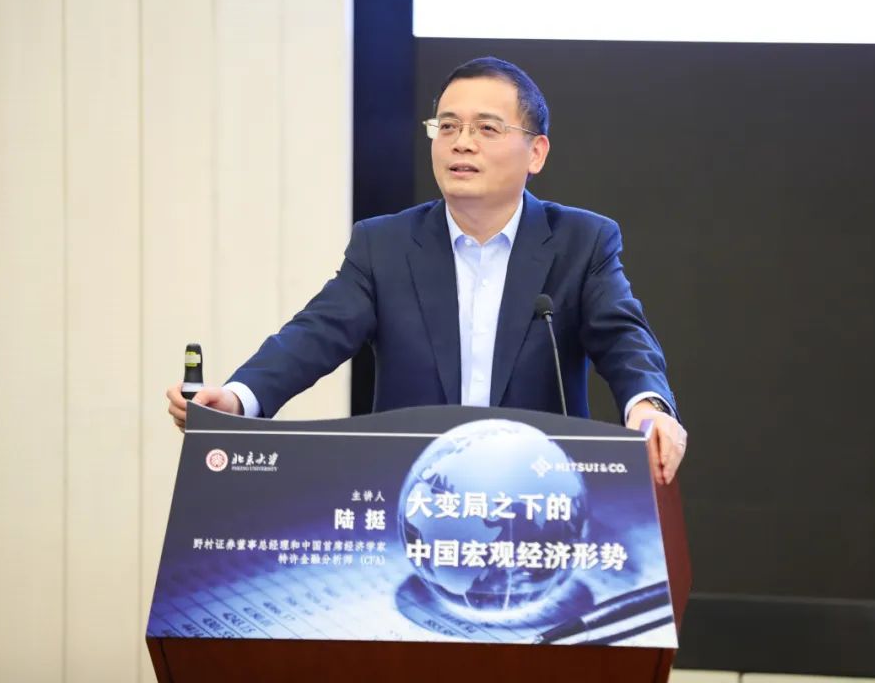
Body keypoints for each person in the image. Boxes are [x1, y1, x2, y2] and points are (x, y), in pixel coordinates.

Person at [167, 57, 688, 484]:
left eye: (487, 128)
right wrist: (238, 398)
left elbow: (623, 338)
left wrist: (648, 407)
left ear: (536, 152)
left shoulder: (582, 241)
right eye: (448, 126)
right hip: (411, 490)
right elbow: (315, 334)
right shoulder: (385, 244)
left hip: (540, 490)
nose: (462, 142)